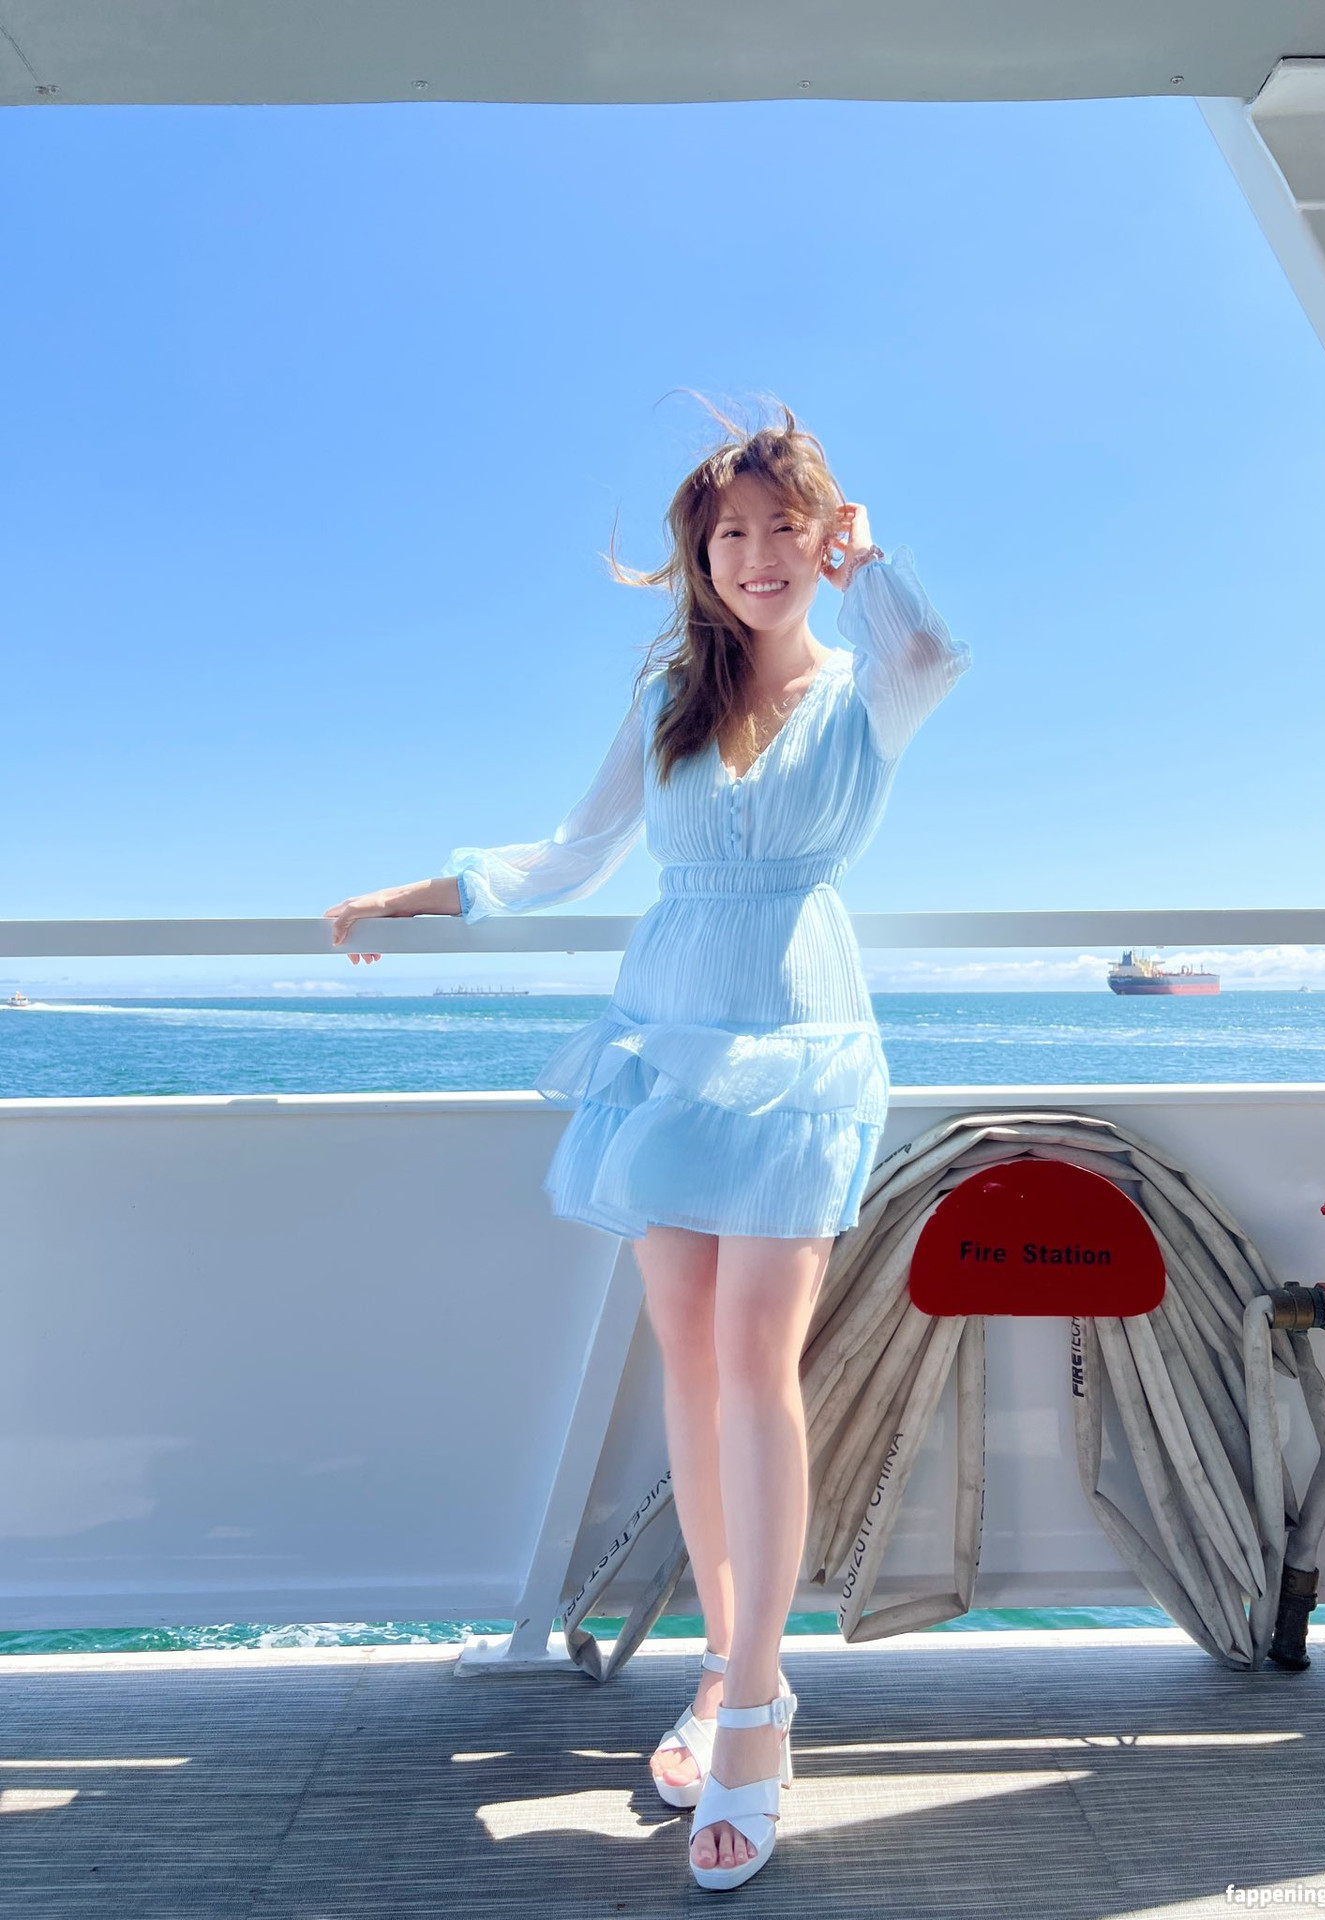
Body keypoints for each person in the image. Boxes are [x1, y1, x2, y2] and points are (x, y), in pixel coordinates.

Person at [324, 399, 971, 1892]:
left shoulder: (866, 690)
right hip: (665, 1037)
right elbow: (571, 854)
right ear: (700, 556)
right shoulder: (671, 698)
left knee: (754, 1358)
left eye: (782, 527)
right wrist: (412, 897)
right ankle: (723, 1667)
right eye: (728, 533)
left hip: (799, 1040)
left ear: (822, 536)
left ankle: (757, 1707)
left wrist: (873, 560)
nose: (754, 554)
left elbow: (938, 652)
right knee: (688, 1356)